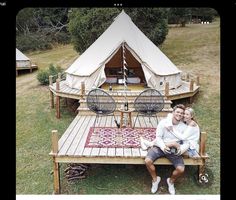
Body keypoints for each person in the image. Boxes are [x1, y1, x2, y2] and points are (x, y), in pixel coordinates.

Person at [143, 104, 189, 195]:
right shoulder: (163, 123)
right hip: (160, 146)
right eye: (178, 112)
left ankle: (171, 182)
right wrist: (164, 147)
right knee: (148, 161)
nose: (179, 114)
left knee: (181, 169)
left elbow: (187, 142)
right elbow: (158, 137)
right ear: (173, 112)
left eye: (182, 113)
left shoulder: (184, 127)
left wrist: (181, 150)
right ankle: (155, 180)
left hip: (174, 150)